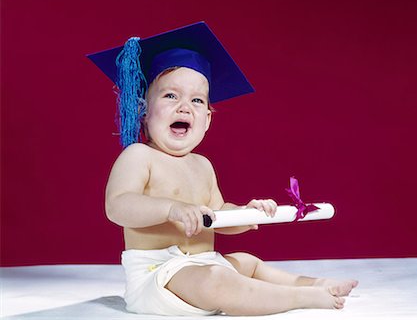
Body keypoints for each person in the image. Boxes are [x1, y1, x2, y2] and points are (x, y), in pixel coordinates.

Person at [88, 22, 358, 316]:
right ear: (142, 110)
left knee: (247, 262)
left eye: (196, 100)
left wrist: (246, 213)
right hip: (159, 274)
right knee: (217, 281)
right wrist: (171, 209)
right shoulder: (139, 156)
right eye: (170, 96)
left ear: (207, 120)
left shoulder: (202, 165)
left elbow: (216, 214)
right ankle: (301, 298)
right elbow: (118, 205)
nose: (184, 107)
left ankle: (317, 284)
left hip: (206, 263)